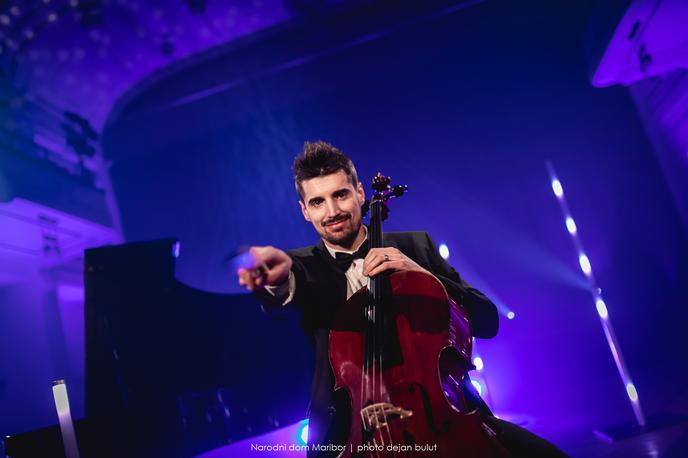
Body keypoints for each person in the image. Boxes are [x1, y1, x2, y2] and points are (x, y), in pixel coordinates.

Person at [237, 141, 567, 457]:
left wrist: (424, 276)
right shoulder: (302, 267)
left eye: (340, 194)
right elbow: (286, 296)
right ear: (304, 211)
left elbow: (486, 321)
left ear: (360, 193)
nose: (333, 210)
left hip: (444, 415)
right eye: (318, 202)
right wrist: (278, 283)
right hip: (351, 428)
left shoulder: (416, 246)